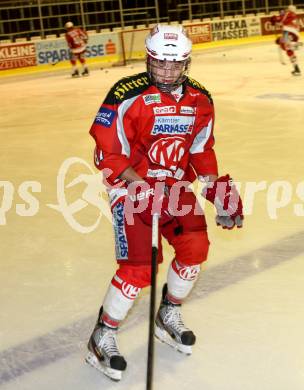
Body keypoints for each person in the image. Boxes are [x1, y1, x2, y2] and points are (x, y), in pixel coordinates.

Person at [87, 24, 244, 381]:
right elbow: (106, 152)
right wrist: (139, 185)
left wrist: (213, 188)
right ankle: (103, 334)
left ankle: (167, 314)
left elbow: (202, 148)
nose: (168, 73)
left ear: (186, 63)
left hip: (174, 187)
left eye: (176, 66)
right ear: (148, 59)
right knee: (139, 269)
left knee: (195, 249)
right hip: (130, 189)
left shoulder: (200, 99)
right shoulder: (125, 93)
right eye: (160, 65)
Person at [271, 5, 302, 76]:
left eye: (287, 9)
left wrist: (274, 19)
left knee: (284, 45)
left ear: (289, 9)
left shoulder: (289, 13)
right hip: (295, 35)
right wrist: (276, 23)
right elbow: (283, 23)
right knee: (289, 51)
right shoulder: (294, 17)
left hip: (289, 32)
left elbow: (280, 19)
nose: (286, 10)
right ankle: (296, 68)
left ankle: (296, 45)